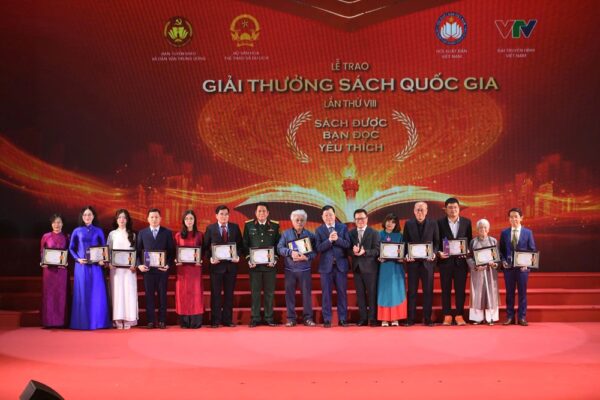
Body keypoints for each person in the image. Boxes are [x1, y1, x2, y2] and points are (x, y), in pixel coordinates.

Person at [68, 206, 110, 330]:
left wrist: (103, 260)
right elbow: (71, 248)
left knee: (96, 293)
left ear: (93, 216)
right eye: (85, 215)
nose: (87, 217)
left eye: (89, 214)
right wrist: (77, 259)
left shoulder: (98, 231)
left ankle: (98, 322)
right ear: (82, 217)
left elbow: (104, 247)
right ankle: (81, 322)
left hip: (96, 267)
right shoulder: (77, 231)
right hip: (81, 266)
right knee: (83, 292)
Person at [204, 205, 243, 328]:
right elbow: (205, 248)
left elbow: (241, 246)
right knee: (215, 294)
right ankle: (215, 320)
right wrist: (210, 258)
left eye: (226, 214)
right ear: (216, 215)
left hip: (231, 267)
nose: (224, 216)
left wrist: (237, 256)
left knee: (229, 294)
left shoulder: (235, 227)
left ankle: (227, 320)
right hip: (216, 267)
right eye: (221, 214)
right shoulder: (210, 228)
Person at [243, 202, 280, 327]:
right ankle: (255, 318)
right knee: (255, 293)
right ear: (255, 213)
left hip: (270, 266)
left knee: (269, 293)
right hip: (255, 266)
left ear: (268, 213)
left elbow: (278, 244)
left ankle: (269, 318)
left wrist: (275, 258)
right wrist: (249, 259)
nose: (261, 213)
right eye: (259, 211)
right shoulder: (248, 225)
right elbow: (245, 244)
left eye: (264, 211)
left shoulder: (275, 226)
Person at [277, 209, 316, 327]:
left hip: (305, 269)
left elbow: (315, 252)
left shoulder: (311, 235)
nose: (299, 222)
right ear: (292, 221)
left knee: (307, 295)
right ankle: (291, 319)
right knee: (289, 295)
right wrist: (290, 252)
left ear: (305, 221)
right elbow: (279, 248)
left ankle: (308, 318)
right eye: (297, 220)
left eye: (302, 220)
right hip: (290, 270)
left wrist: (307, 257)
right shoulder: (285, 234)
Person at [137, 208, 175, 329]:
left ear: (160, 219)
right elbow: (137, 252)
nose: (154, 219)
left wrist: (168, 264)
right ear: (148, 219)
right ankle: (150, 321)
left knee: (162, 295)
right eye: (152, 217)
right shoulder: (142, 233)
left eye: (156, 217)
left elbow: (172, 252)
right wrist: (139, 265)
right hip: (147, 270)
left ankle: (162, 320)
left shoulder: (167, 232)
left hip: (162, 270)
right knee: (149, 295)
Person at [437, 198, 473, 326]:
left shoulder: (466, 222)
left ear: (459, 208)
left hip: (460, 263)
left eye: (455, 207)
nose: (453, 210)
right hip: (445, 262)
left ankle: (459, 315)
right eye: (450, 207)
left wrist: (467, 250)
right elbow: (437, 241)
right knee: (445, 289)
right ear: (445, 209)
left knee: (460, 290)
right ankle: (447, 315)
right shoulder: (439, 223)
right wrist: (438, 253)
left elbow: (469, 240)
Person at [403, 201, 439, 326]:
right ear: (414, 211)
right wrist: (406, 254)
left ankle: (427, 319)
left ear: (426, 211)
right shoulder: (408, 224)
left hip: (427, 264)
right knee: (412, 292)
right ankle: (410, 319)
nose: (420, 212)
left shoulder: (433, 223)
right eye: (417, 209)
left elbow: (437, 242)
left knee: (428, 292)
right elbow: (405, 242)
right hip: (412, 264)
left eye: (422, 209)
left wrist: (434, 253)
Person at [499, 207, 537, 326]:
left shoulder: (528, 233)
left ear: (521, 218)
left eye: (516, 216)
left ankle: (522, 317)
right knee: (509, 293)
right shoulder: (504, 233)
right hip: (508, 269)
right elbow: (501, 251)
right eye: (511, 217)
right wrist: (503, 261)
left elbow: (532, 250)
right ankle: (510, 317)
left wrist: (527, 265)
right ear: (509, 219)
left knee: (522, 293)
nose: (514, 219)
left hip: (522, 269)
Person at [315, 205, 351, 328]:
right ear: (322, 217)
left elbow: (348, 244)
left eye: (330, 214)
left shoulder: (343, 227)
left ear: (335, 216)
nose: (329, 217)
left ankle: (343, 319)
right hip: (326, 268)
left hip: (341, 266)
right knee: (326, 294)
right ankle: (327, 319)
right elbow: (318, 248)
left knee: (342, 293)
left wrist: (338, 239)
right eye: (326, 215)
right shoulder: (319, 230)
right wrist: (329, 241)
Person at [107, 209, 138, 329]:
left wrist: (134, 264)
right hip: (116, 269)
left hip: (129, 270)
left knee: (129, 292)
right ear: (116, 220)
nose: (122, 220)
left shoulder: (133, 234)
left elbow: (135, 252)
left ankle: (128, 318)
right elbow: (108, 251)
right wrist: (109, 263)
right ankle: (118, 319)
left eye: (124, 217)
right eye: (119, 217)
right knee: (117, 293)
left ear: (127, 220)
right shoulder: (112, 234)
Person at [349, 209, 380, 327]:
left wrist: (365, 252)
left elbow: (377, 250)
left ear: (367, 219)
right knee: (360, 294)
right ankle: (363, 318)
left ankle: (372, 318)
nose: (360, 221)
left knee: (372, 294)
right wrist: (353, 251)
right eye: (357, 219)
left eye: (362, 218)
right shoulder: (351, 233)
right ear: (354, 220)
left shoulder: (374, 232)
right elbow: (347, 250)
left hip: (370, 268)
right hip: (357, 268)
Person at [174, 210, 204, 328]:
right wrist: (176, 260)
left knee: (196, 293)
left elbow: (203, 251)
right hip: (182, 269)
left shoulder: (199, 235)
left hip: (195, 269)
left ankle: (196, 321)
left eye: (191, 218)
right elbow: (174, 252)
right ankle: (184, 322)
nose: (189, 221)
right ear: (183, 221)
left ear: (194, 220)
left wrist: (201, 260)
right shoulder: (178, 235)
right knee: (183, 293)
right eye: (186, 219)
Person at [467, 219, 500, 325]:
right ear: (477, 229)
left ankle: (491, 317)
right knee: (478, 293)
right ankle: (477, 317)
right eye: (480, 227)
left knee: (491, 292)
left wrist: (494, 264)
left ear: (488, 229)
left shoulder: (493, 241)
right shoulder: (473, 242)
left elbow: (498, 257)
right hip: (478, 272)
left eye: (485, 227)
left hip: (490, 271)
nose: (483, 229)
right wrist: (475, 266)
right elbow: (469, 257)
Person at [40, 213, 69, 328]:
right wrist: (42, 262)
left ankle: (61, 322)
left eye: (59, 222)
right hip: (49, 271)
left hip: (62, 271)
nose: (57, 224)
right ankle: (48, 321)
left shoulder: (66, 237)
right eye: (54, 222)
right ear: (51, 224)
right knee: (49, 295)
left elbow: (68, 252)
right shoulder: (46, 236)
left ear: (62, 224)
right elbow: (42, 252)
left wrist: (66, 262)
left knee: (61, 295)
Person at [377, 213, 407, 327]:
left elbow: (404, 251)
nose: (390, 224)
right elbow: (376, 249)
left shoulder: (399, 235)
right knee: (384, 291)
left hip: (396, 267)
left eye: (393, 222)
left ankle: (395, 318)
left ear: (396, 224)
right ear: (385, 222)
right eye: (388, 221)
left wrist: (402, 258)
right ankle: (384, 319)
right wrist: (378, 257)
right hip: (383, 267)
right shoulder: (379, 234)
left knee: (396, 291)